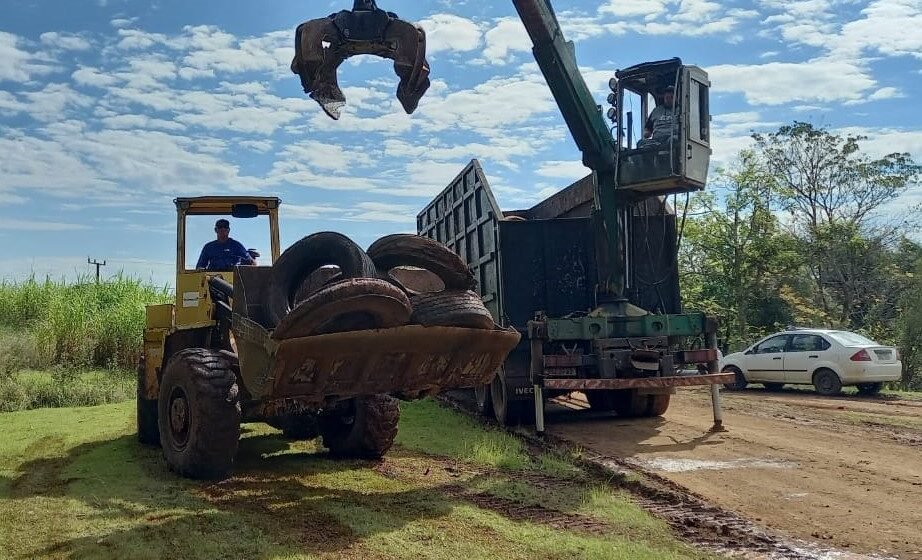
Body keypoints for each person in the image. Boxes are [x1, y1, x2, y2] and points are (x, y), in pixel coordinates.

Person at [637, 84, 678, 149]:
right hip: (657, 141)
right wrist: (647, 133)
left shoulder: (682, 110)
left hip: (672, 138)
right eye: (666, 97)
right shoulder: (656, 110)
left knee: (674, 141)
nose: (668, 99)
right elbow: (648, 129)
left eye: (671, 96)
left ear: (676, 97)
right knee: (641, 143)